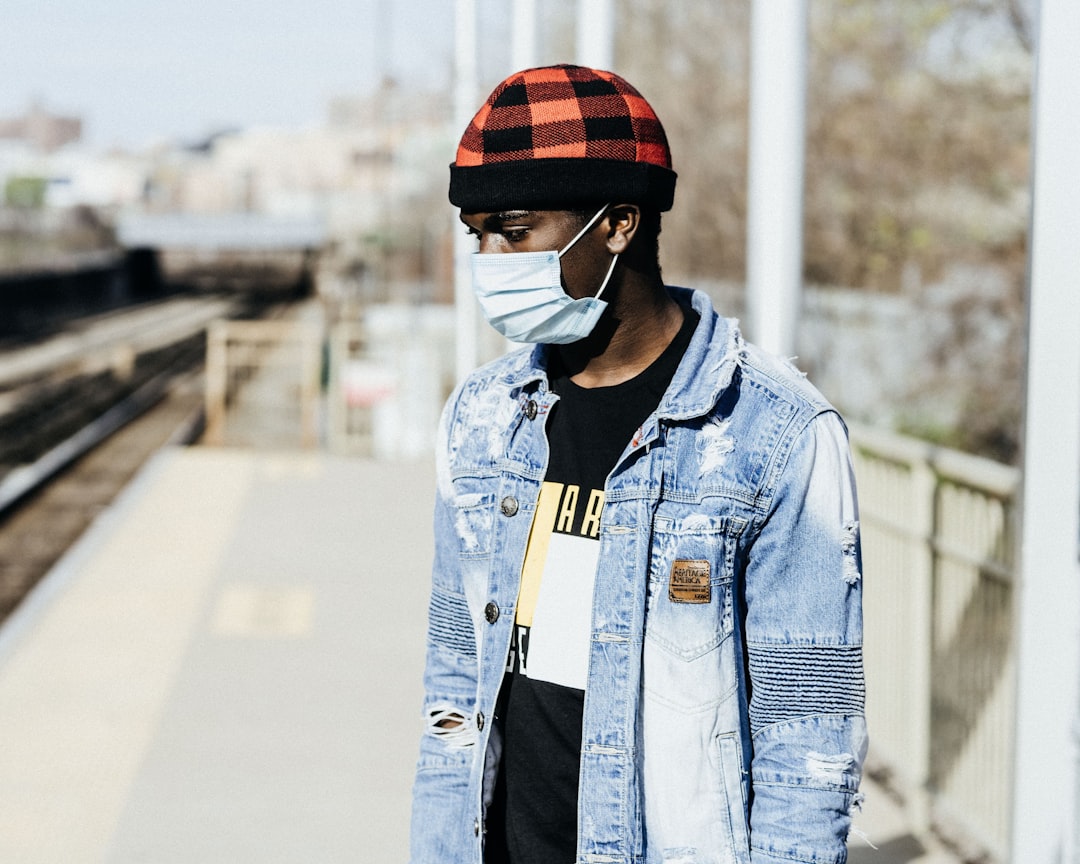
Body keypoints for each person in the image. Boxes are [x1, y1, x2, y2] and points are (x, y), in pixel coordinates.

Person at [410, 64, 866, 864]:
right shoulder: (481, 421)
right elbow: (454, 686)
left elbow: (810, 742)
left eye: (513, 231)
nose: (486, 257)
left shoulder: (773, 433)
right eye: (475, 231)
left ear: (619, 223)